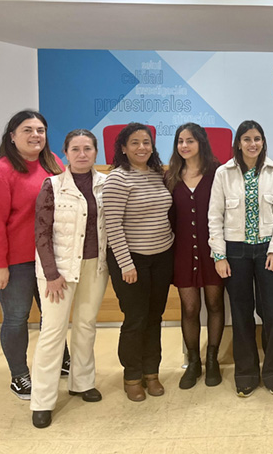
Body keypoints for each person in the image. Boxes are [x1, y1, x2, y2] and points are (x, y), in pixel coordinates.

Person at [0, 110, 70, 400]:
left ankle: (59, 359)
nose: (35, 135)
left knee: (54, 314)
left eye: (40, 130)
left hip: (51, 258)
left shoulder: (53, 163)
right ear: (12, 136)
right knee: (17, 318)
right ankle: (19, 375)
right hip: (17, 263)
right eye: (27, 130)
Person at [30, 130, 108, 428]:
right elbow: (41, 232)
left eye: (88, 148)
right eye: (75, 149)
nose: (82, 154)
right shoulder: (52, 185)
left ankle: (82, 382)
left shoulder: (105, 184)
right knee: (52, 332)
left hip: (95, 267)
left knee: (86, 325)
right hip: (59, 271)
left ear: (96, 152)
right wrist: (51, 274)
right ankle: (42, 400)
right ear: (65, 153)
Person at [208, 120, 273, 397]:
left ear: (263, 142)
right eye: (246, 139)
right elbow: (214, 216)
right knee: (241, 314)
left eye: (257, 139)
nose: (252, 144)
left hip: (267, 251)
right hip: (235, 252)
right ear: (238, 143)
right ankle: (246, 373)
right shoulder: (224, 173)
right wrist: (219, 255)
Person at [104, 123, 174, 402]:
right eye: (134, 143)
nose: (142, 147)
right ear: (123, 148)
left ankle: (151, 373)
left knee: (155, 317)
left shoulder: (158, 174)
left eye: (146, 142)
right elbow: (113, 226)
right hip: (131, 260)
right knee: (135, 319)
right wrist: (126, 264)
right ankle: (132, 376)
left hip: (162, 257)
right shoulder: (117, 179)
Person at [165, 123, 225, 390]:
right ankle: (193, 362)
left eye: (190, 140)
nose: (184, 145)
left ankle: (212, 359)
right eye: (180, 141)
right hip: (182, 252)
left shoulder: (217, 173)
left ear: (201, 142)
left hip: (213, 251)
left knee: (214, 305)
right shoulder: (171, 176)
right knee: (189, 308)